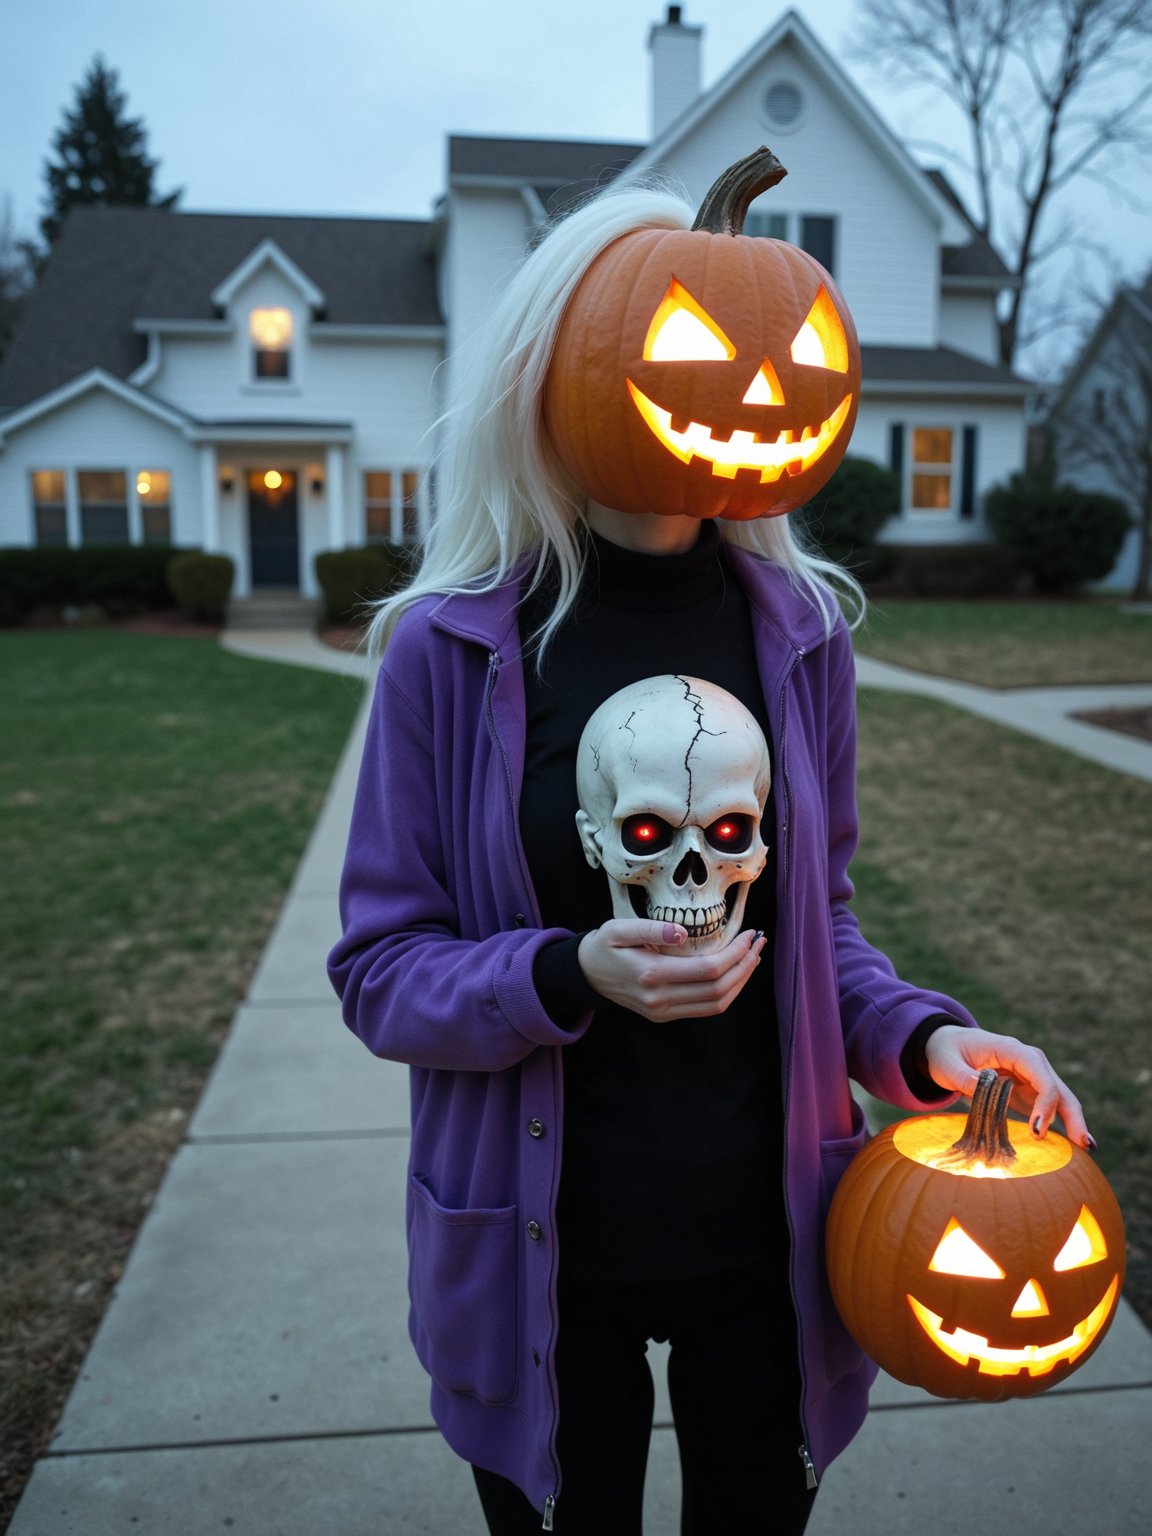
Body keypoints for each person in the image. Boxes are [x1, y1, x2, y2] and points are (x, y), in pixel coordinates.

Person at [327, 174, 1091, 1536]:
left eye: (790, 359)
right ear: (562, 365)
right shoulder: (448, 655)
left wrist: (925, 1047)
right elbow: (383, 972)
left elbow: (823, 929)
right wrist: (566, 972)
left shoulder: (803, 638)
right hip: (540, 1260)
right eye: (691, 351)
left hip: (768, 1243)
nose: (748, 383)